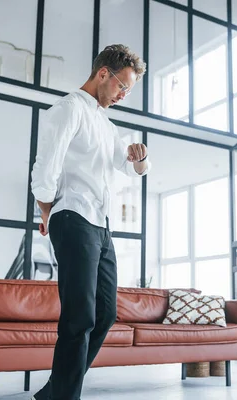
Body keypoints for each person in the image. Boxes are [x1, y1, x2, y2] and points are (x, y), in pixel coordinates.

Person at [30, 44, 150, 400]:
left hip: (100, 224)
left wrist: (141, 158)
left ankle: (56, 389)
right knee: (80, 317)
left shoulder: (105, 123)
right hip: (73, 215)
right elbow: (45, 167)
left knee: (105, 313)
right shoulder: (68, 110)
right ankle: (64, 395)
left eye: (128, 91)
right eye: (121, 87)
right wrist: (46, 211)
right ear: (103, 74)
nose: (123, 96)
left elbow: (129, 167)